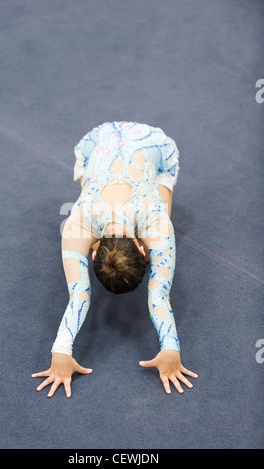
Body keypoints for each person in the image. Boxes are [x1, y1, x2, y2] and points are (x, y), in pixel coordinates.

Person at [32, 121, 198, 398]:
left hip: (129, 142)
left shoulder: (154, 220)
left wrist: (172, 349)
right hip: (106, 141)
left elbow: (79, 295)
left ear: (93, 252)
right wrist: (59, 352)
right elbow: (158, 296)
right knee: (92, 193)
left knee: (160, 214)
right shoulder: (79, 223)